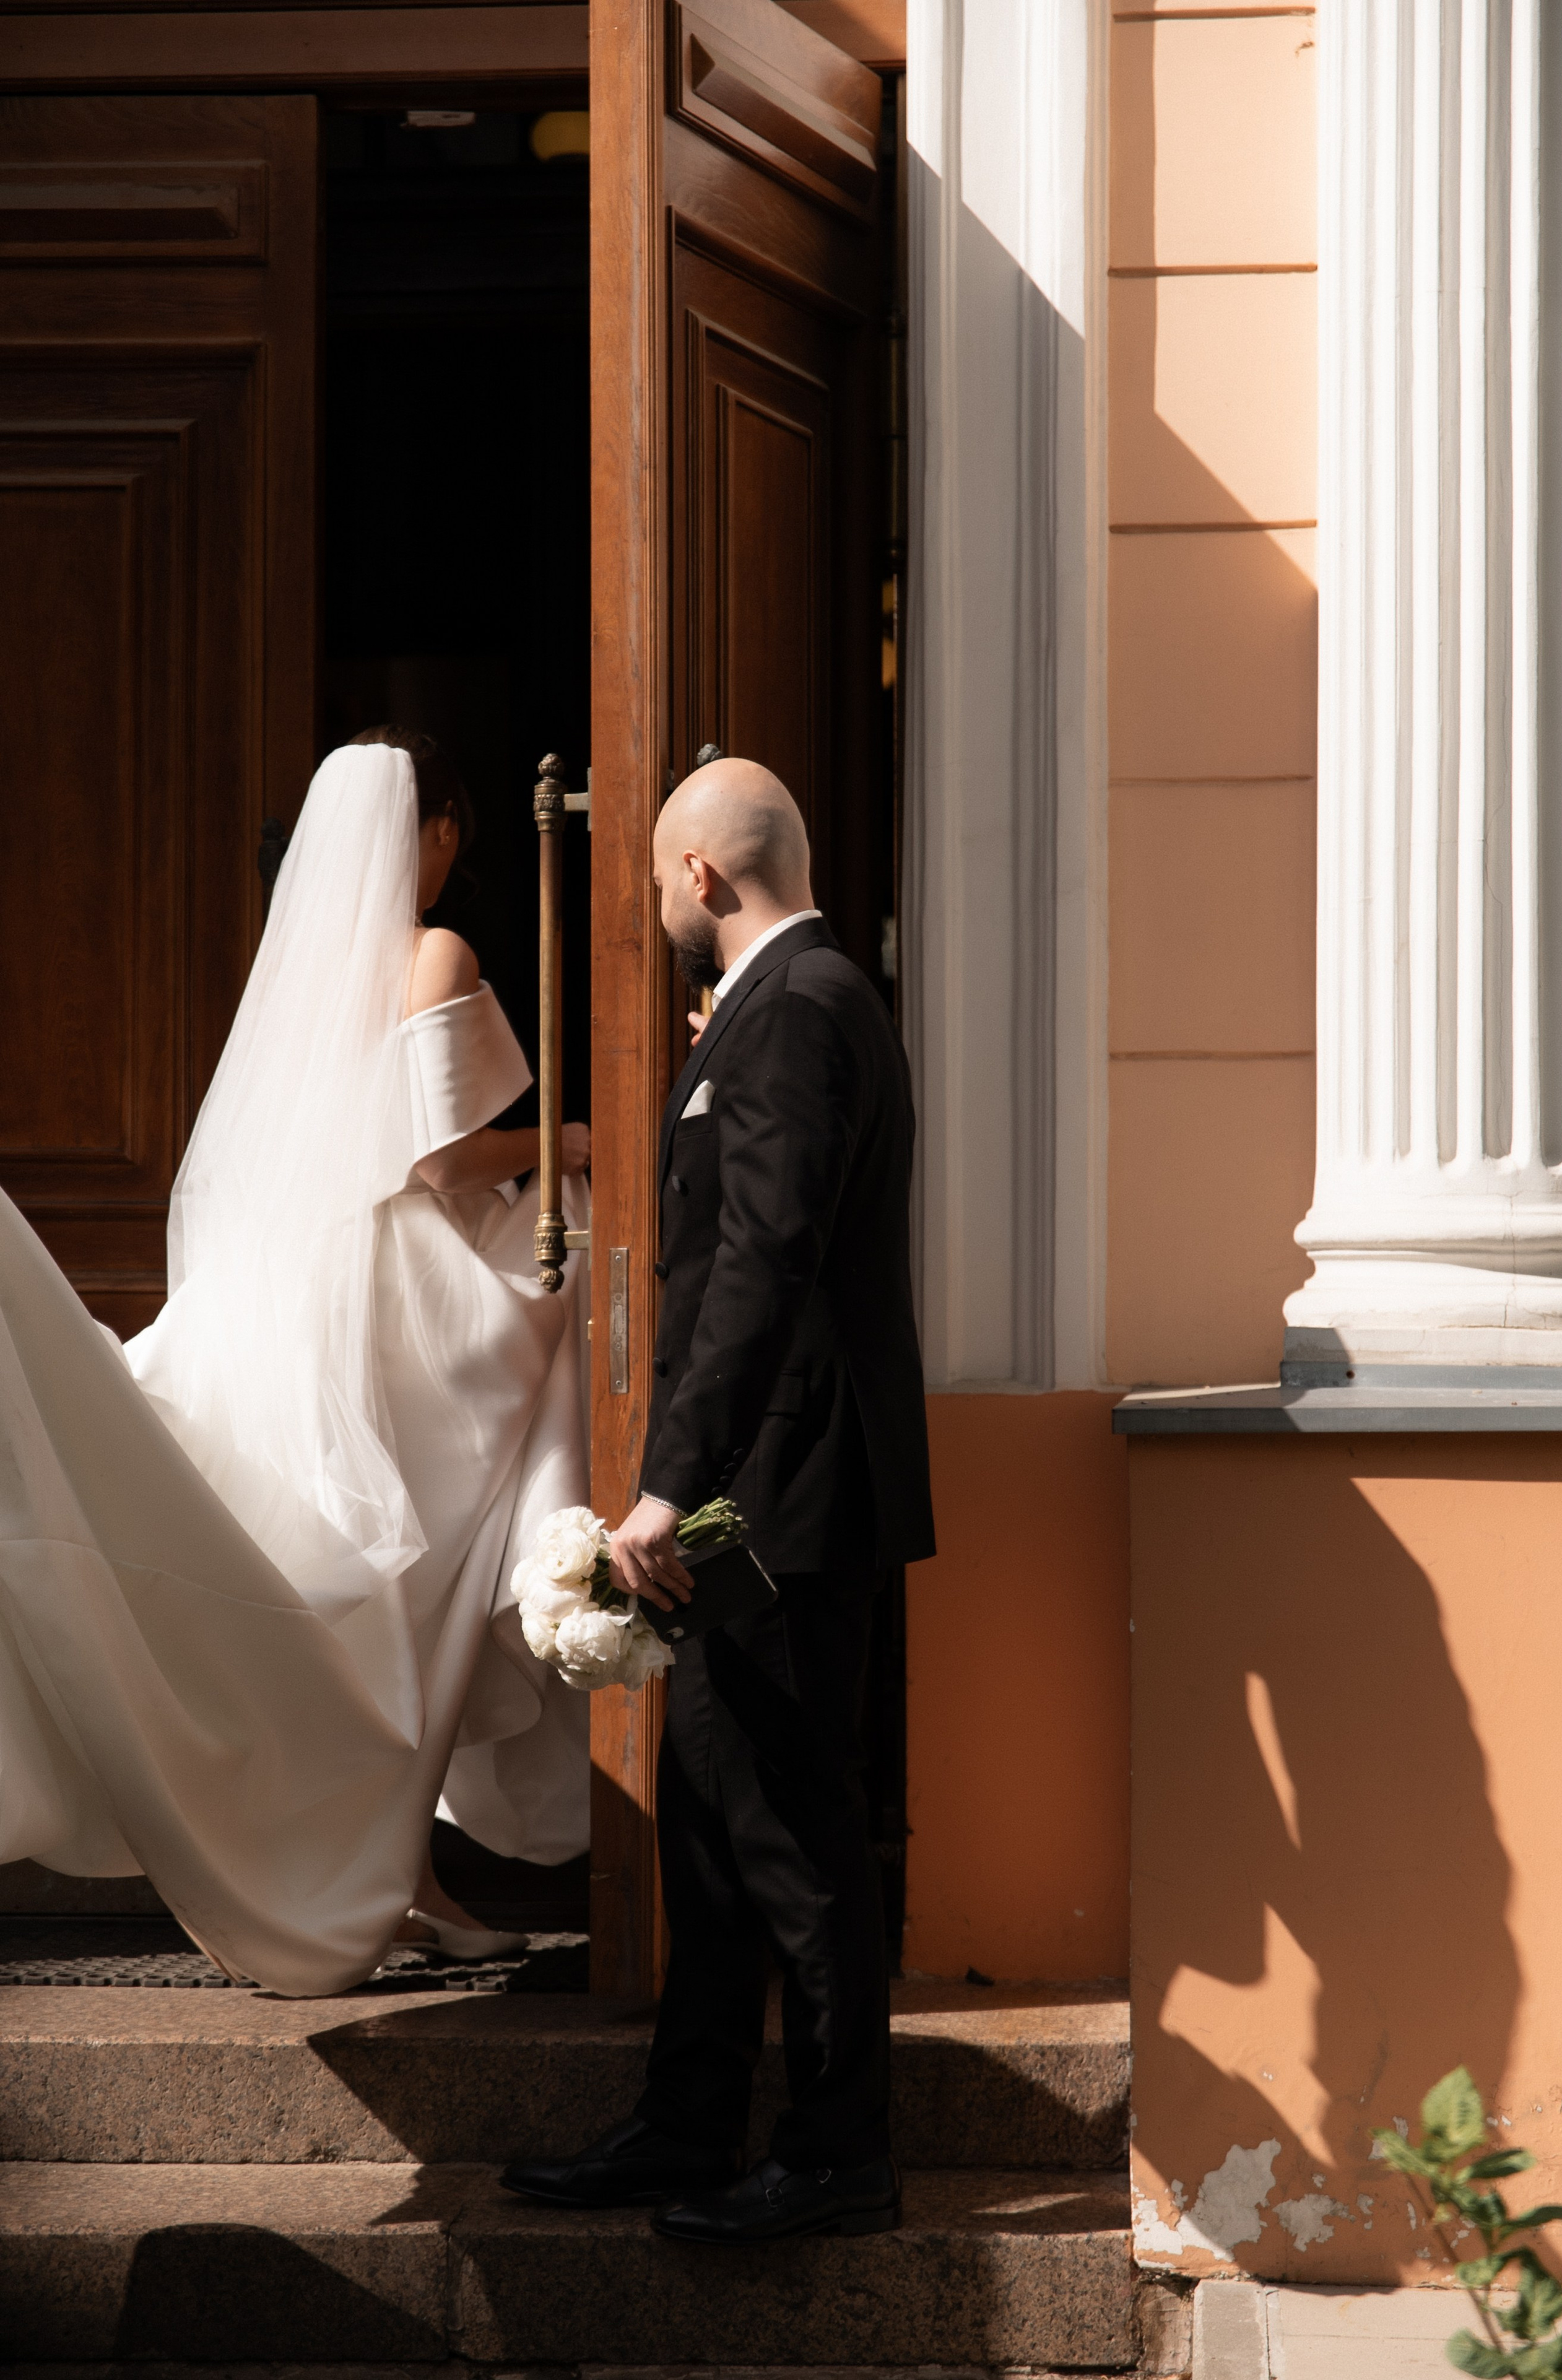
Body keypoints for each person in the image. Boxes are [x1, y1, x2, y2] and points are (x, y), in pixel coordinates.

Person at [0, 732, 591, 1992]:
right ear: (435, 828)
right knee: (432, 1580)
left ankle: (392, 1874)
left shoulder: (308, 975)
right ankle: (391, 1874)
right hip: (409, 1301)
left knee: (383, 1605)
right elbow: (438, 1159)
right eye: (452, 834)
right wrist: (568, 1139)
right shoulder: (434, 951)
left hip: (312, 1283)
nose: (453, 856)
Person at [501, 755, 935, 2243]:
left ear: (698, 874)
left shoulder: (798, 1008)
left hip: (779, 1492)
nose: (657, 907)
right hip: (768, 1487)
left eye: (654, 881)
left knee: (790, 1825)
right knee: (706, 1810)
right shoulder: (789, 1003)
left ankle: (835, 2151)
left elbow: (760, 1262)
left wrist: (667, 1487)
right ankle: (688, 2121)